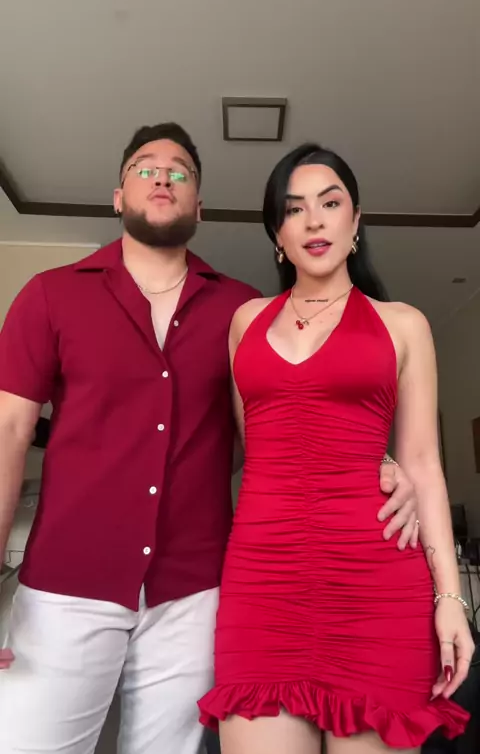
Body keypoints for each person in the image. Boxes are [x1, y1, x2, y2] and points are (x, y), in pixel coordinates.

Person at [0, 124, 418, 754]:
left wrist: (380, 461)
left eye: (180, 172)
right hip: (66, 585)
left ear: (199, 204)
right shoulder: (50, 295)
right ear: (117, 195)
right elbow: (9, 431)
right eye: (145, 168)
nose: (162, 178)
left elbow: (286, 423)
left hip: (194, 591)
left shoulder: (244, 312)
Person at [198, 143, 475, 754]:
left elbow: (425, 465)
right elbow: (260, 443)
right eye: (294, 208)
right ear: (277, 233)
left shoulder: (403, 323)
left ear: (356, 219)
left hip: (378, 584)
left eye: (330, 202)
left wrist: (450, 599)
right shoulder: (245, 322)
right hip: (262, 582)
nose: (314, 220)